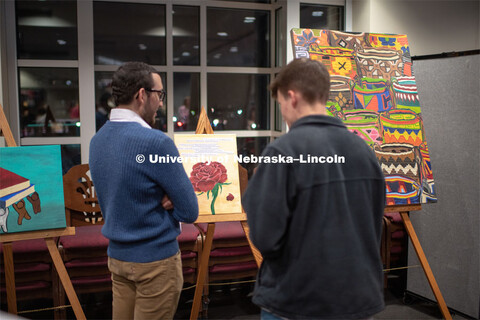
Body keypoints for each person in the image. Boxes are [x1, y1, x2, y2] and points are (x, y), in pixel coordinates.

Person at [242, 58, 386, 320]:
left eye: (281, 104)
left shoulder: (283, 152)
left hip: (297, 300)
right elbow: (373, 223)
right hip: (358, 298)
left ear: (292, 97)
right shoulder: (364, 151)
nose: (283, 113)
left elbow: (264, 236)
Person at [89, 61, 198, 320]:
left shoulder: (97, 141)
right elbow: (190, 210)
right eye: (159, 95)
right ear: (141, 95)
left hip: (117, 259)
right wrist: (170, 202)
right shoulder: (157, 143)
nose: (160, 102)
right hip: (156, 261)